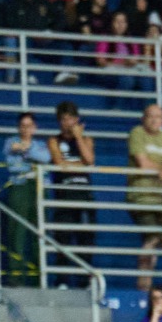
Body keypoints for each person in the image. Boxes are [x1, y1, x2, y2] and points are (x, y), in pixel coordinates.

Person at [127, 104, 162, 290]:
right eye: (150, 116)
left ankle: (146, 282)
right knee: (151, 237)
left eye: (158, 117)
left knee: (156, 241)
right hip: (141, 197)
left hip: (161, 198)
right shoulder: (137, 133)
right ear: (144, 118)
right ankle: (142, 285)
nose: (154, 120)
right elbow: (143, 163)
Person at [49, 101, 96, 288]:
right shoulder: (54, 140)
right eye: (63, 119)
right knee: (63, 237)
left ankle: (85, 280)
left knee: (85, 238)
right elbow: (59, 164)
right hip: (64, 194)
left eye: (70, 118)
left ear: (77, 120)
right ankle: (62, 280)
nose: (67, 122)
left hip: (84, 194)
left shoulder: (87, 139)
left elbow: (90, 160)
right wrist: (79, 165)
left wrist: (78, 138)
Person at [3, 112, 51, 286]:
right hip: (20, 187)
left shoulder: (41, 145)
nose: (26, 129)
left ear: (35, 128)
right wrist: (31, 156)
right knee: (17, 232)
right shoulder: (10, 142)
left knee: (39, 233)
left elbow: (45, 159)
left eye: (29, 126)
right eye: (22, 126)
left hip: (38, 188)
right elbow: (13, 166)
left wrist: (24, 150)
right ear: (18, 127)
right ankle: (15, 276)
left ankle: (38, 277)